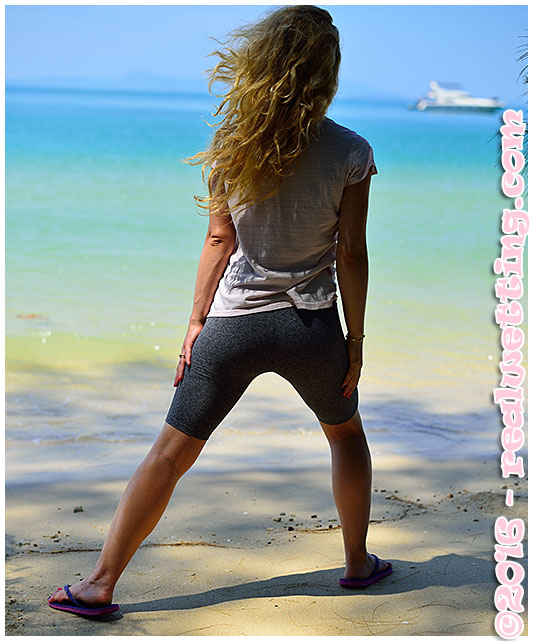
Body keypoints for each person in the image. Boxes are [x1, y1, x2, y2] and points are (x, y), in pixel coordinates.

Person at [48, 5, 392, 616]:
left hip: (233, 325)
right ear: (327, 74)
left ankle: (100, 584)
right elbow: (351, 252)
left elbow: (218, 241)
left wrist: (196, 321)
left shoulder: (232, 145)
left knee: (169, 453)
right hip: (312, 326)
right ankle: (357, 563)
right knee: (345, 435)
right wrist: (355, 341)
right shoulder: (352, 150)